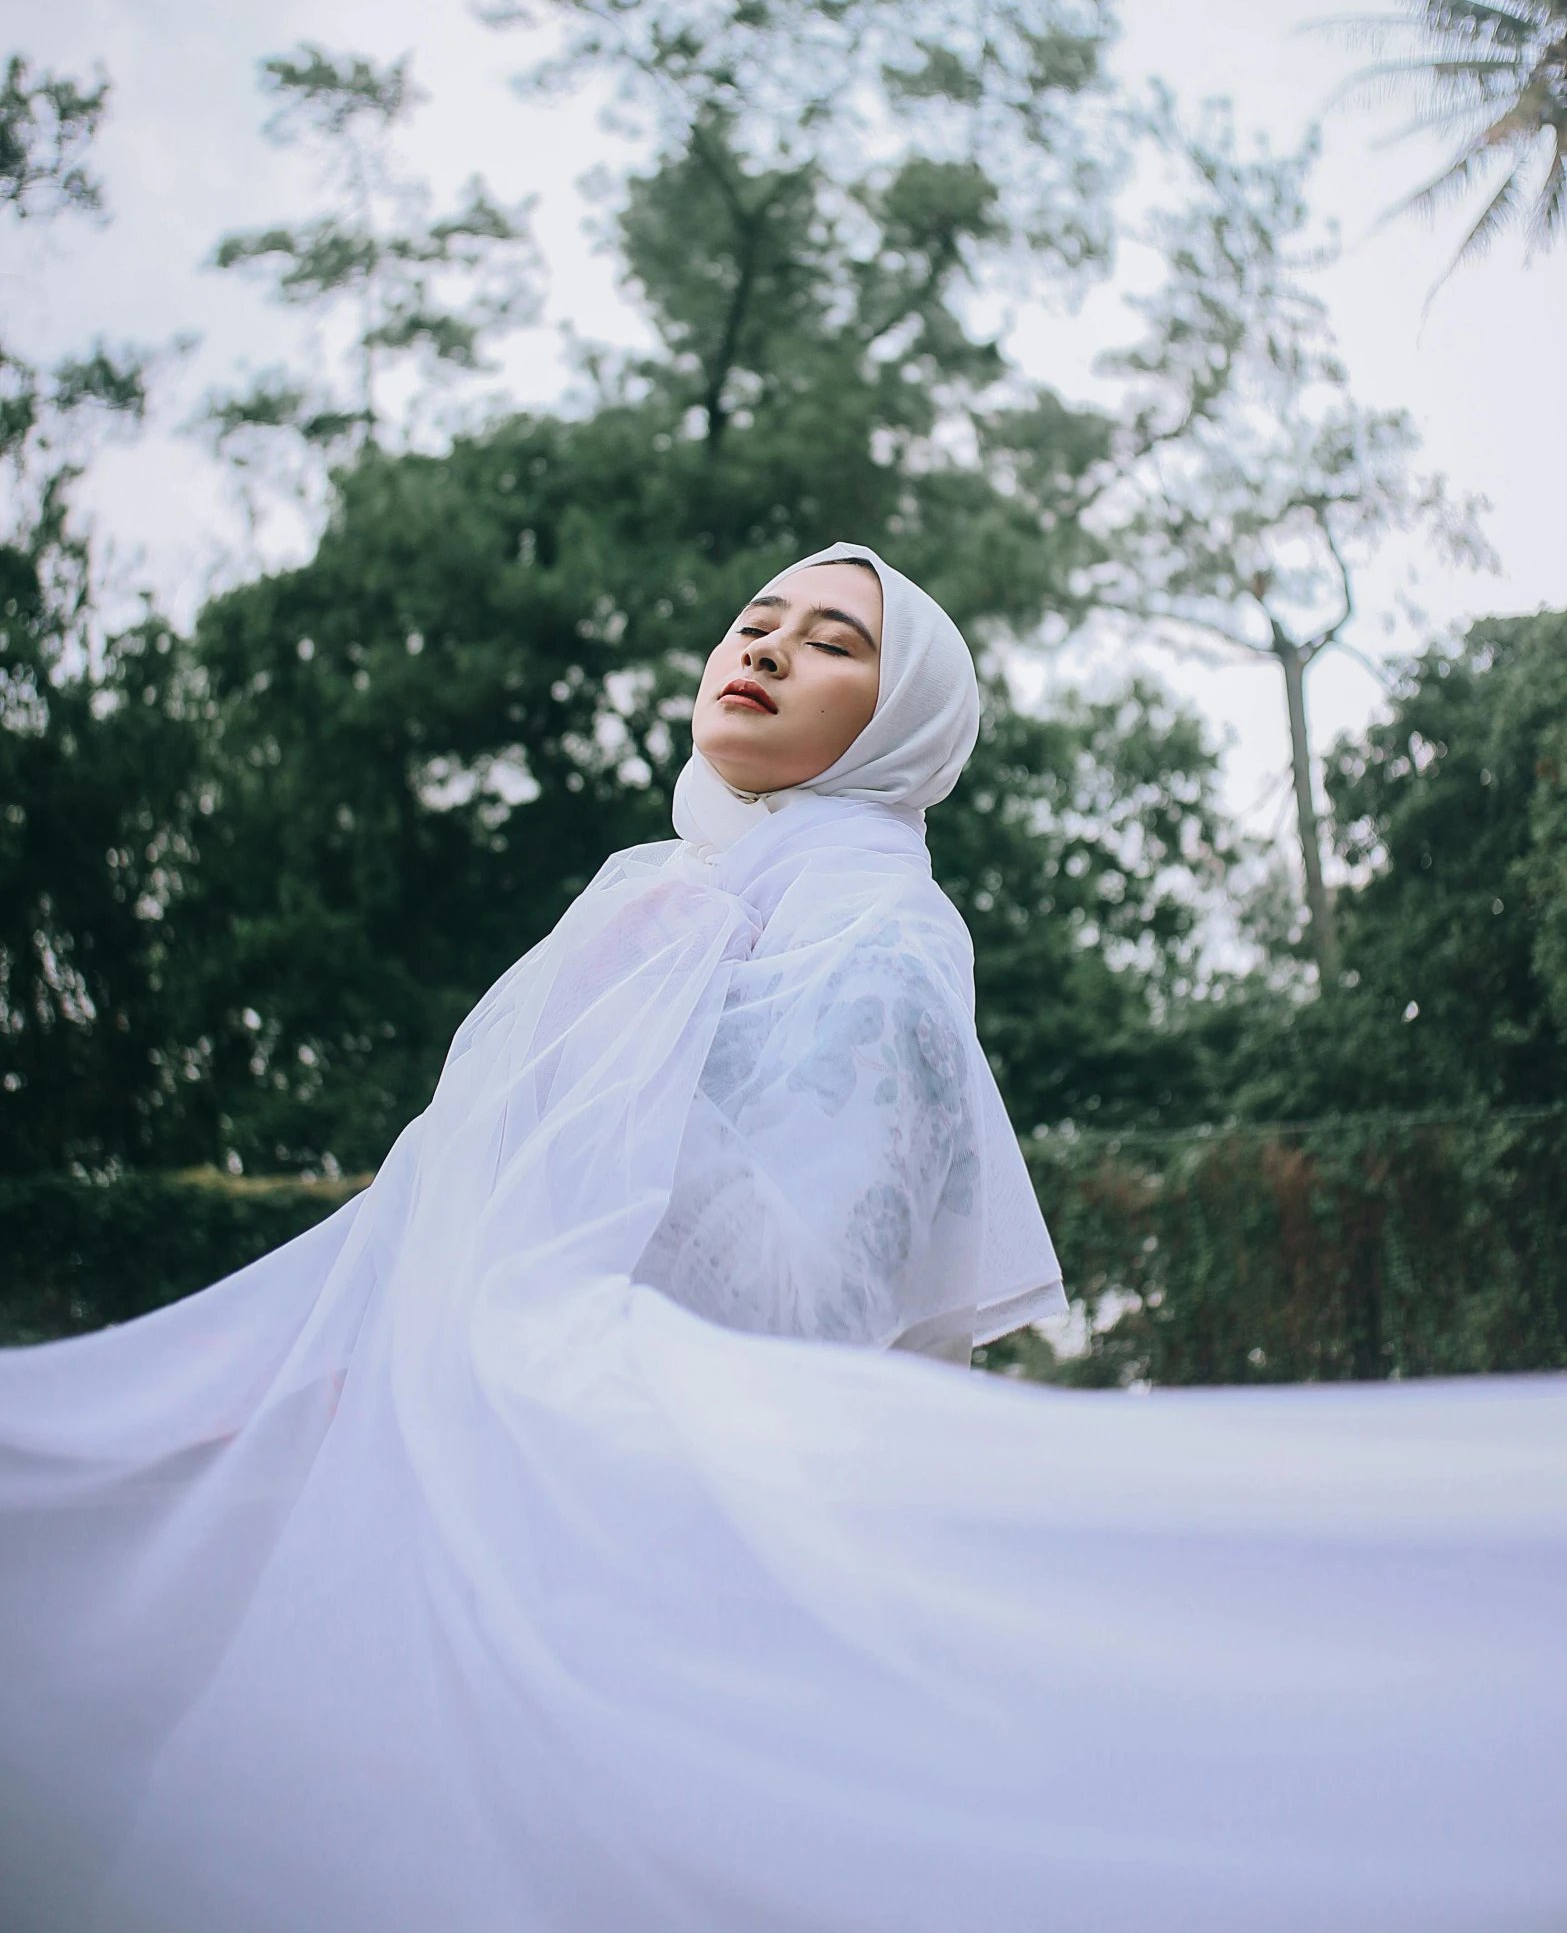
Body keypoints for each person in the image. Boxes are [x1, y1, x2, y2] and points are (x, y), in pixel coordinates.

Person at [0, 543, 1563, 1933]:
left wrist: (631, 1074)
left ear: (905, 725)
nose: (764, 647)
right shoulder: (661, 891)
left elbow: (812, 1279)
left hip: (646, 1517)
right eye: (756, 619)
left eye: (833, 640)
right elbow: (448, 1202)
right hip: (486, 1465)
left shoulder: (878, 930)